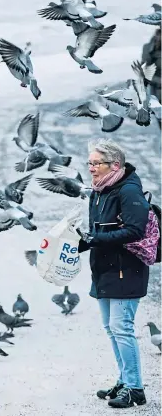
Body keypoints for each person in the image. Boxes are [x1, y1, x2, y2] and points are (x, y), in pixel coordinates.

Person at [78, 138, 150, 409]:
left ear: (115, 165)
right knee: (111, 328)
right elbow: (99, 230)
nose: (91, 168)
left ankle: (135, 389)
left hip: (126, 269)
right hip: (105, 268)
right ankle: (124, 380)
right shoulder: (99, 190)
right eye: (90, 163)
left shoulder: (128, 190)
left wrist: (96, 239)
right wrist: (84, 241)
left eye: (97, 163)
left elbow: (136, 230)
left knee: (122, 328)